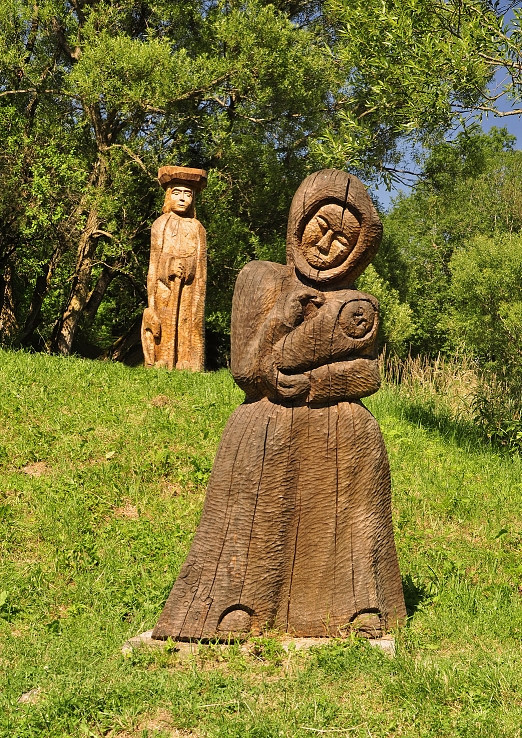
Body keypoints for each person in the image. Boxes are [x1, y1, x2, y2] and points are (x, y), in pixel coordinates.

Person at [153, 169, 407, 641]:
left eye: (343, 240)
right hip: (268, 414)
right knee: (261, 442)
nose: (327, 245)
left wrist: (311, 383)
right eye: (321, 227)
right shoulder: (261, 277)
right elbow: (246, 370)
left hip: (332, 415)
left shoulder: (357, 305)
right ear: (299, 222)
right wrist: (281, 321)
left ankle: (355, 602)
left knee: (357, 435)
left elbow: (367, 376)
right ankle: (235, 600)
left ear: (359, 252)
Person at [142, 167, 207, 371]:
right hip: (164, 287)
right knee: (164, 321)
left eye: (188, 194)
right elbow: (154, 263)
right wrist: (168, 265)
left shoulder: (197, 228)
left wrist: (189, 267)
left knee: (186, 321)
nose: (182, 198)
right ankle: (162, 359)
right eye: (177, 193)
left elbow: (201, 265)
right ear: (168, 196)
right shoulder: (160, 224)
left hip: (189, 288)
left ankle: (186, 360)